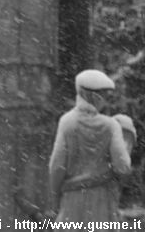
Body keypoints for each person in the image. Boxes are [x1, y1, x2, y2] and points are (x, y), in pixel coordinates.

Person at [49, 70, 132, 229]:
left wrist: (55, 196)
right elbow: (123, 167)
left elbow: (56, 167)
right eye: (104, 95)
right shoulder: (110, 126)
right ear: (93, 96)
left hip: (72, 200)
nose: (105, 101)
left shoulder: (67, 122)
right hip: (103, 200)